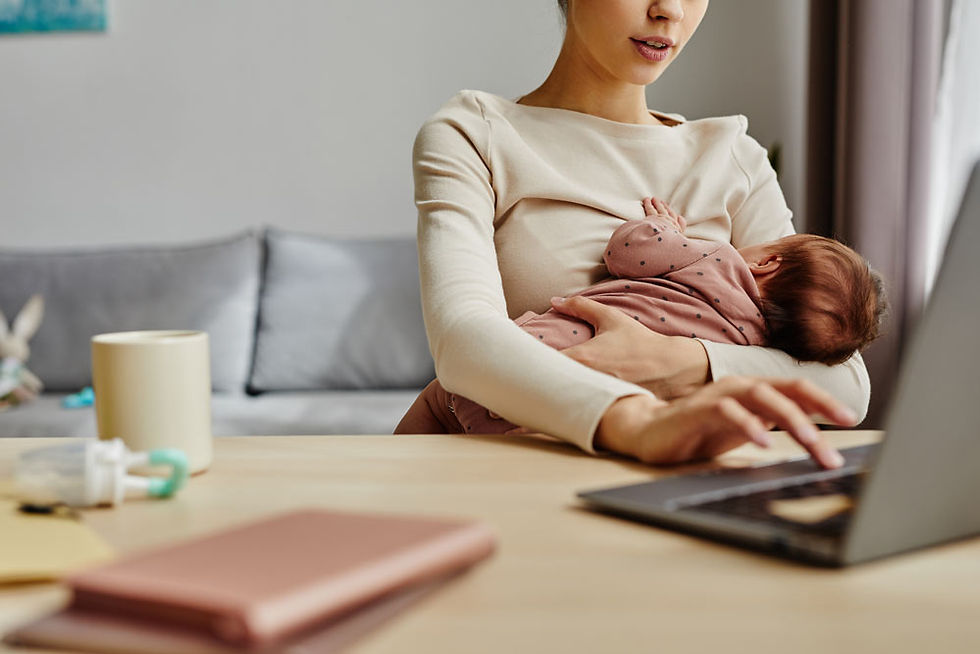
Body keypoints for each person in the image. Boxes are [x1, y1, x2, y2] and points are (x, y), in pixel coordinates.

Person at [403, 0, 870, 469]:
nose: (669, 9)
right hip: (517, 476)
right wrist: (635, 422)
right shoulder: (477, 135)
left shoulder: (733, 158)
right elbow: (462, 342)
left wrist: (682, 362)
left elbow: (847, 384)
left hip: (676, 484)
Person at [396, 196, 887, 437]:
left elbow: (628, 252)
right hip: (569, 417)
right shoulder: (751, 349)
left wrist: (667, 228)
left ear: (767, 262)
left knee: (438, 404)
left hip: (525, 359)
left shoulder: (716, 256)